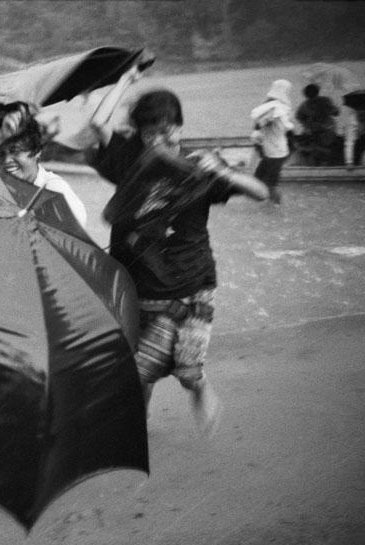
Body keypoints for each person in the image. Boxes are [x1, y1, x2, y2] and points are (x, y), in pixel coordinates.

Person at [85, 64, 269, 437]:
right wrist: (125, 79)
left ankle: (199, 387)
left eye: (166, 134)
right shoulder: (131, 161)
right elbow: (99, 124)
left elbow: (262, 193)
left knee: (186, 371)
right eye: (150, 134)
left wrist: (225, 173)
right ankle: (137, 426)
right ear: (140, 133)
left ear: (181, 129)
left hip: (191, 281)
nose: (158, 143)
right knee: (139, 370)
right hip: (139, 283)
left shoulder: (198, 169)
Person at [0, 104, 89, 230]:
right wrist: (0, 135)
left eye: (16, 151)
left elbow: (71, 241)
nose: (6, 160)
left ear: (37, 151)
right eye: (0, 153)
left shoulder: (54, 192)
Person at [250, 79, 295, 205]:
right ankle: (269, 205)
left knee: (270, 183)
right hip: (272, 150)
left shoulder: (275, 110)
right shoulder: (278, 108)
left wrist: (260, 126)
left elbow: (261, 124)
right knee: (258, 179)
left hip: (276, 153)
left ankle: (275, 206)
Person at [294, 83, 340, 166]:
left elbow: (335, 112)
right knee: (314, 148)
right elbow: (299, 116)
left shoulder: (322, 102)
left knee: (322, 148)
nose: (312, 99)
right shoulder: (308, 104)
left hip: (325, 131)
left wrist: (306, 125)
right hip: (319, 131)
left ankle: (321, 162)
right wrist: (307, 125)